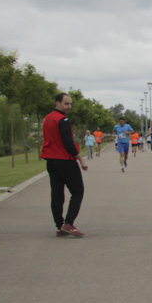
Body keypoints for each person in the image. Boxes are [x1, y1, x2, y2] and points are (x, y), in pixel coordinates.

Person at [42, 93, 89, 237]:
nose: (69, 107)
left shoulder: (47, 119)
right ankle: (68, 223)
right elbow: (68, 143)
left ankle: (59, 225)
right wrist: (80, 159)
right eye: (66, 104)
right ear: (57, 103)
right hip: (65, 160)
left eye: (70, 104)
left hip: (51, 160)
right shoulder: (63, 120)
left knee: (56, 193)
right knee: (77, 190)